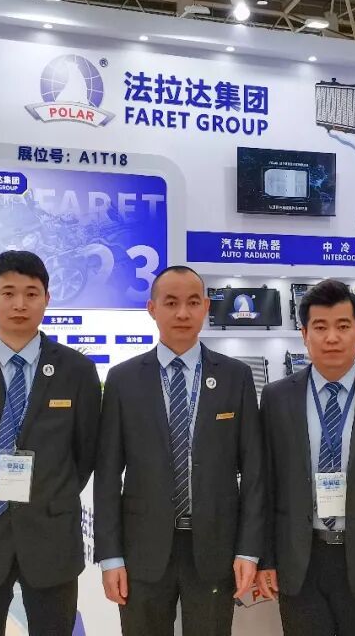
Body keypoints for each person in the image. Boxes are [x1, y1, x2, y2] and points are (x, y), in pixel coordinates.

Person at [0, 250, 101, 636]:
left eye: (31, 293)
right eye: (8, 293)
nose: (20, 304)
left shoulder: (77, 370)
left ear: (47, 298)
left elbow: (85, 453)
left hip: (51, 535)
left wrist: (48, 496)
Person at [94, 265, 264, 636]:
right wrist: (110, 556)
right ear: (152, 308)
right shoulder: (123, 379)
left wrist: (248, 550)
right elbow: (107, 474)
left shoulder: (235, 376)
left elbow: (254, 471)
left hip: (215, 548)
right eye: (171, 303)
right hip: (142, 550)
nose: (182, 313)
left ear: (206, 307)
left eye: (192, 303)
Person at [257, 279, 355, 636]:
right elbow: (265, 485)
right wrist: (265, 558)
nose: (332, 337)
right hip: (299, 560)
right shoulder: (277, 397)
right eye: (320, 327)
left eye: (343, 326)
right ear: (304, 334)